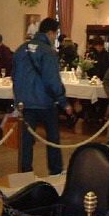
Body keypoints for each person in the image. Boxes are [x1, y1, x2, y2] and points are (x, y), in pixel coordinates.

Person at [12, 17, 73, 175]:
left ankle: (24, 172)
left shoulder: (20, 49)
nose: (55, 38)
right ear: (50, 32)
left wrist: (18, 99)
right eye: (55, 34)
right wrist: (63, 101)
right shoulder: (48, 52)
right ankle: (56, 171)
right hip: (45, 102)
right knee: (53, 139)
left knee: (26, 141)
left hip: (25, 103)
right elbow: (52, 80)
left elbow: (14, 76)